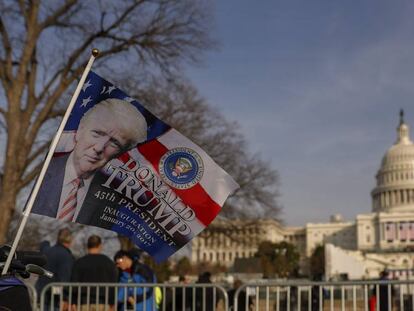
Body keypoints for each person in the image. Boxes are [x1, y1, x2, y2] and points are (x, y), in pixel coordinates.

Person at [32, 98, 148, 222]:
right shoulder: (40, 172)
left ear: (121, 153)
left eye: (114, 143)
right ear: (80, 130)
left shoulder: (112, 201)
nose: (99, 148)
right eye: (97, 133)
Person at [70, 235, 118, 310]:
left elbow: (74, 283)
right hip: (103, 303)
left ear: (87, 246)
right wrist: (113, 302)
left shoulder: (79, 262)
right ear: (100, 246)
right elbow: (113, 283)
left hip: (84, 303)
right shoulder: (108, 262)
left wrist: (73, 302)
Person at [35, 228, 75, 310]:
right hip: (53, 299)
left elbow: (43, 245)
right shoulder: (66, 256)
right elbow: (63, 279)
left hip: (40, 293)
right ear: (70, 240)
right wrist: (63, 298)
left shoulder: (47, 251)